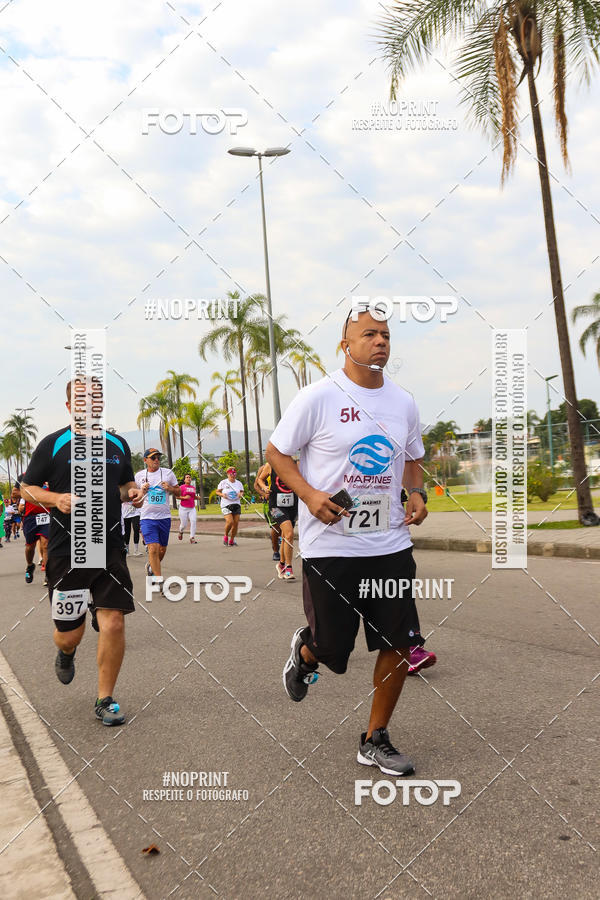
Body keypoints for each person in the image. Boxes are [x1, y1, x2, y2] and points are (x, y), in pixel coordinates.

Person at [267, 307, 429, 775]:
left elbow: (412, 458)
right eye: (369, 335)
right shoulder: (318, 397)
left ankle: (375, 738)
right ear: (346, 345)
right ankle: (306, 651)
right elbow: (277, 452)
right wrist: (311, 495)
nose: (380, 342)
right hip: (330, 546)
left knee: (398, 642)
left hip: (389, 543)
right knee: (333, 649)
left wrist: (414, 491)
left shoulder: (403, 402)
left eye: (385, 335)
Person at [19, 379, 145, 726]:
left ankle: (105, 698)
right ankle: (66, 651)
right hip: (66, 551)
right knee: (69, 633)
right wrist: (54, 499)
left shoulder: (117, 444)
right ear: (69, 406)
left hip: (109, 547)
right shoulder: (53, 444)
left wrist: (133, 492)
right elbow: (26, 489)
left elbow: (125, 484)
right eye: (81, 400)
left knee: (114, 622)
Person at [134, 449, 180, 581]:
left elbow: (178, 492)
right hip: (147, 517)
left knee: (161, 550)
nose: (156, 460)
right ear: (145, 460)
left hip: (164, 517)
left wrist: (170, 488)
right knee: (153, 549)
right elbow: (134, 499)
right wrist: (141, 491)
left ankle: (152, 566)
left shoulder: (168, 473)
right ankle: (159, 581)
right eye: (153, 457)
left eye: (158, 457)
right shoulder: (139, 476)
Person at [267, 461, 299, 581]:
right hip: (276, 506)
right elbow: (258, 481)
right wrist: (264, 488)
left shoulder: (297, 464)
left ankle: (281, 564)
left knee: (286, 536)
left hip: (292, 505)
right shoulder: (270, 465)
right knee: (289, 534)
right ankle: (288, 567)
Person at [19, 477, 51, 585]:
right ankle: (30, 565)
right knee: (29, 546)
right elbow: (20, 507)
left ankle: (48, 574)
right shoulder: (27, 488)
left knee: (45, 545)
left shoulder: (49, 485)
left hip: (46, 517)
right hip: (31, 519)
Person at [255, 462, 282, 560]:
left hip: (284, 502)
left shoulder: (286, 464)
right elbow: (256, 485)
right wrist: (263, 493)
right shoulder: (265, 467)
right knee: (276, 526)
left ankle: (276, 539)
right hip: (271, 503)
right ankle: (276, 551)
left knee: (283, 527)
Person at [216, 467, 244, 547]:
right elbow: (217, 491)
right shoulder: (224, 482)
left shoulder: (239, 483)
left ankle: (232, 539)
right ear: (228, 474)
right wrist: (222, 495)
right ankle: (225, 535)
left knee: (236, 524)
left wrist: (240, 494)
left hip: (236, 504)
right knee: (230, 521)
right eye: (231, 474)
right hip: (226, 505)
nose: (233, 475)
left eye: (234, 474)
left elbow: (242, 491)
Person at [178, 473, 197, 543]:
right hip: (183, 508)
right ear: (184, 480)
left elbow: (193, 497)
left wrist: (197, 498)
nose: (189, 478)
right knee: (184, 524)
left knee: (193, 521)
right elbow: (177, 496)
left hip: (192, 508)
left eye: (189, 477)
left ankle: (192, 537)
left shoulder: (193, 488)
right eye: (187, 477)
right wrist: (184, 497)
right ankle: (180, 531)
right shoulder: (181, 487)